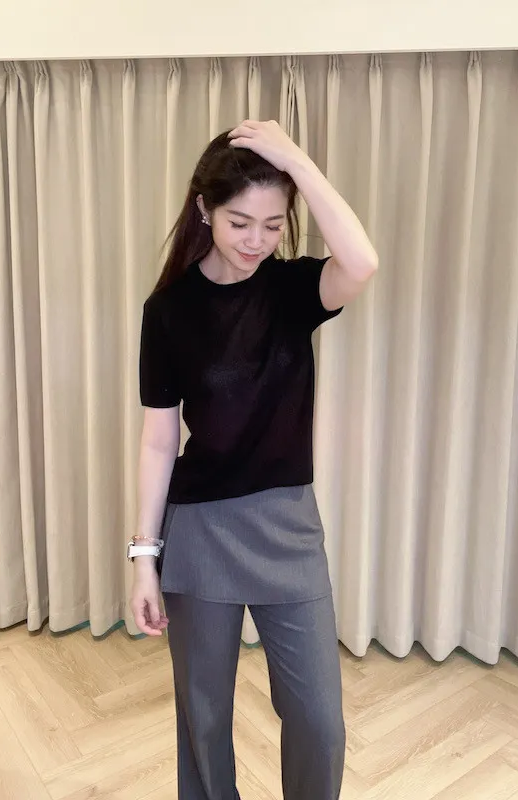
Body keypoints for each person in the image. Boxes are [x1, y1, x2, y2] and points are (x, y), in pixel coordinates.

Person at [128, 120, 378, 800]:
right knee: (204, 715)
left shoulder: (292, 291)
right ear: (204, 209)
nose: (256, 241)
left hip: (287, 527)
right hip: (200, 530)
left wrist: (296, 161)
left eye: (273, 225)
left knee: (319, 721)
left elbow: (361, 262)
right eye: (240, 222)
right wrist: (143, 556)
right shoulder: (168, 312)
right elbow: (159, 440)